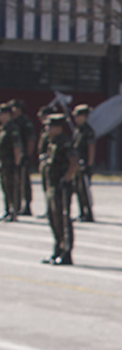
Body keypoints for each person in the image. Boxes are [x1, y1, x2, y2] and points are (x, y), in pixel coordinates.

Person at [38, 113, 78, 265]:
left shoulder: (64, 142)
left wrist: (66, 179)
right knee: (54, 218)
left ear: (58, 127)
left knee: (63, 218)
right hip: (52, 185)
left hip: (61, 186)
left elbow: (74, 162)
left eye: (49, 126)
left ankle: (66, 252)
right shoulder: (52, 141)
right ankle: (57, 249)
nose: (47, 128)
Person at [71, 103, 96, 222]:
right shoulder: (78, 130)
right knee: (78, 189)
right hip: (77, 165)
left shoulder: (88, 130)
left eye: (78, 116)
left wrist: (89, 164)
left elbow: (91, 147)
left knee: (84, 190)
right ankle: (82, 212)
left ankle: (89, 213)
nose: (76, 119)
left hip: (84, 164)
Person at [10, 99, 35, 216]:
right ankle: (16, 205)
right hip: (12, 157)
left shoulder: (25, 122)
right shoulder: (11, 122)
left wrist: (27, 156)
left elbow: (30, 140)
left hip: (23, 155)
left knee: (24, 181)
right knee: (15, 182)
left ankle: (27, 205)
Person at [0, 101, 22, 221]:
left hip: (10, 162)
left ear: (8, 114)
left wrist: (17, 162)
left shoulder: (12, 128)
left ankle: (14, 211)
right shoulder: (3, 128)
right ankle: (8, 210)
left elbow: (16, 146)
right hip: (4, 162)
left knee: (12, 187)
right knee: (5, 187)